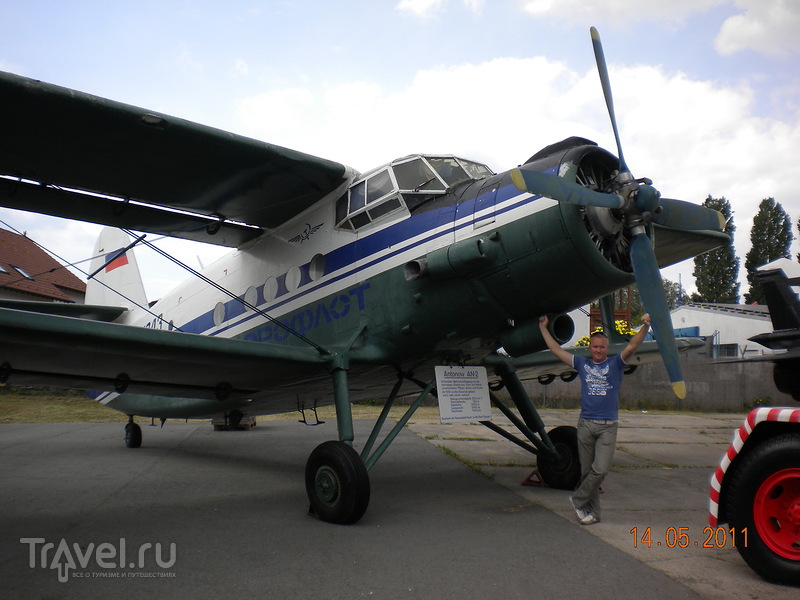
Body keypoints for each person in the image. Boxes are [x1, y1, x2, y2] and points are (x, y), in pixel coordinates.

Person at [538, 313, 651, 525]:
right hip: (586, 425)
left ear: (607, 348)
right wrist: (544, 327)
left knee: (600, 470)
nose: (598, 350)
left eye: (602, 347)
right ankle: (593, 514)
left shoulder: (617, 364)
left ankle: (578, 499)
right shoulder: (582, 364)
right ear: (590, 348)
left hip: (608, 426)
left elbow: (632, 347)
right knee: (587, 471)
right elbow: (556, 350)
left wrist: (644, 327)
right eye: (595, 347)